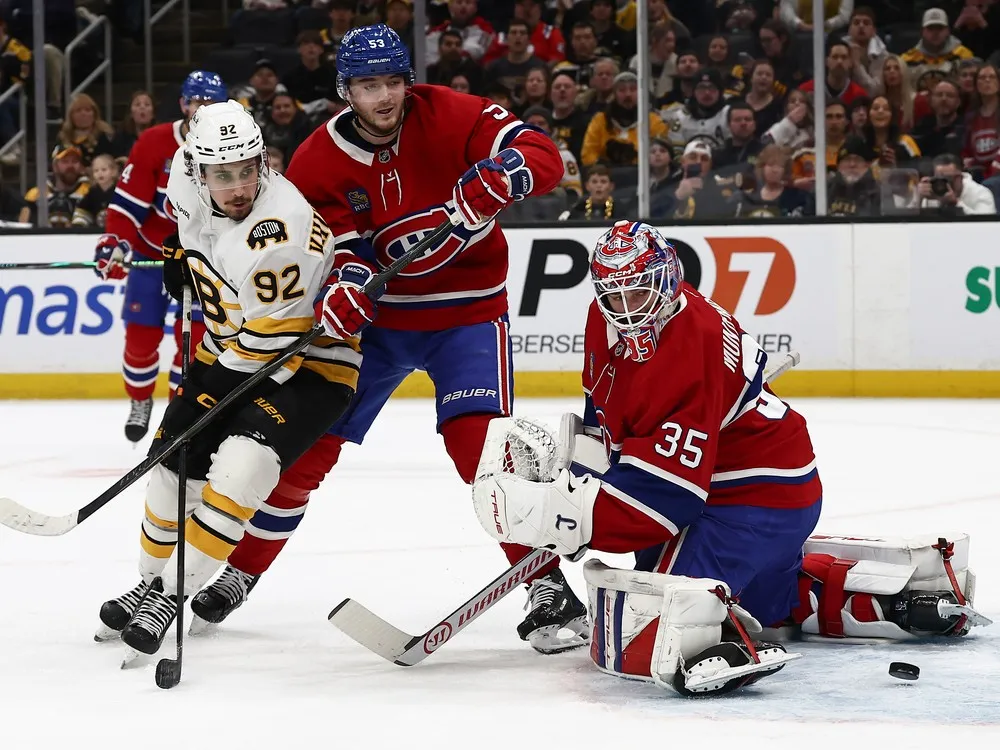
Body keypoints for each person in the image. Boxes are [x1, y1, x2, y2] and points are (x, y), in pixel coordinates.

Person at [190, 24, 591, 654]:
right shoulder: (318, 160)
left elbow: (543, 153)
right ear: (345, 90)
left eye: (393, 82)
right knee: (308, 446)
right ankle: (244, 569)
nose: (384, 97)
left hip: (467, 316)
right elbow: (335, 246)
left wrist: (507, 174)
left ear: (409, 80)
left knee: (481, 450)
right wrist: (344, 286)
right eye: (368, 85)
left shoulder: (451, 114)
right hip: (381, 327)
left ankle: (545, 587)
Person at [470, 220, 990, 696]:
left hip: (754, 496)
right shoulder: (605, 317)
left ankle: (735, 629)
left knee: (638, 624)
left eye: (638, 291)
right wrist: (585, 473)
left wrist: (567, 517)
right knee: (760, 603)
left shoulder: (687, 351)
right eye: (615, 295)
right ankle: (879, 600)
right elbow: (606, 409)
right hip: (732, 483)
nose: (628, 310)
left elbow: (669, 501)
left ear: (668, 278)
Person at [95, 100, 368, 656]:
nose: (240, 185)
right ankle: (148, 582)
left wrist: (209, 393)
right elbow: (186, 218)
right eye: (224, 175)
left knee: (242, 464)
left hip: (310, 365)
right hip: (231, 349)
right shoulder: (183, 175)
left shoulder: (278, 234)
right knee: (171, 464)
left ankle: (175, 591)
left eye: (249, 168)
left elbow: (275, 349)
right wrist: (181, 249)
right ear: (197, 169)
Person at [96, 71, 226, 443]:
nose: (202, 110)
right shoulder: (155, 142)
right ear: (183, 104)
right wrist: (115, 242)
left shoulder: (232, 146)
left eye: (211, 103)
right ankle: (140, 400)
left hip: (206, 260)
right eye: (196, 102)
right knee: (139, 338)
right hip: (152, 255)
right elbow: (125, 206)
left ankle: (178, 416)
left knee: (196, 342)